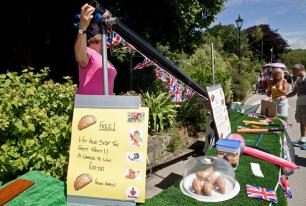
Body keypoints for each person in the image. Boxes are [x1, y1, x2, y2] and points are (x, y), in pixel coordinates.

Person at [74, 3, 117, 95]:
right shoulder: (89, 52)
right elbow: (80, 58)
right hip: (89, 106)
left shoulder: (103, 58)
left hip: (105, 106)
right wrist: (82, 28)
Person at [286, 64, 306, 148]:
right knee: (302, 122)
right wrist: (285, 96)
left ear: (299, 70)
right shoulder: (298, 80)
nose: (293, 73)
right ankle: (303, 139)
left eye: (294, 71)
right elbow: (294, 92)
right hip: (300, 103)